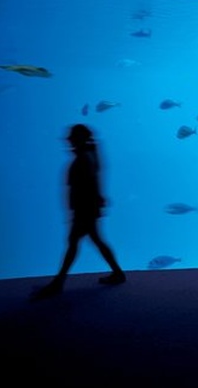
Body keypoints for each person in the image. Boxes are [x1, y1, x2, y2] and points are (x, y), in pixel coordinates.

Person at [31, 124, 126, 300]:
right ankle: (117, 273)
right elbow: (93, 181)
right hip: (88, 209)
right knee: (93, 240)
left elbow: (86, 185)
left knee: (75, 243)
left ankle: (58, 282)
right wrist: (97, 201)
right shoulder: (89, 155)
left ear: (79, 138)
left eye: (72, 136)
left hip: (84, 210)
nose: (68, 139)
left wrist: (81, 208)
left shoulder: (84, 158)